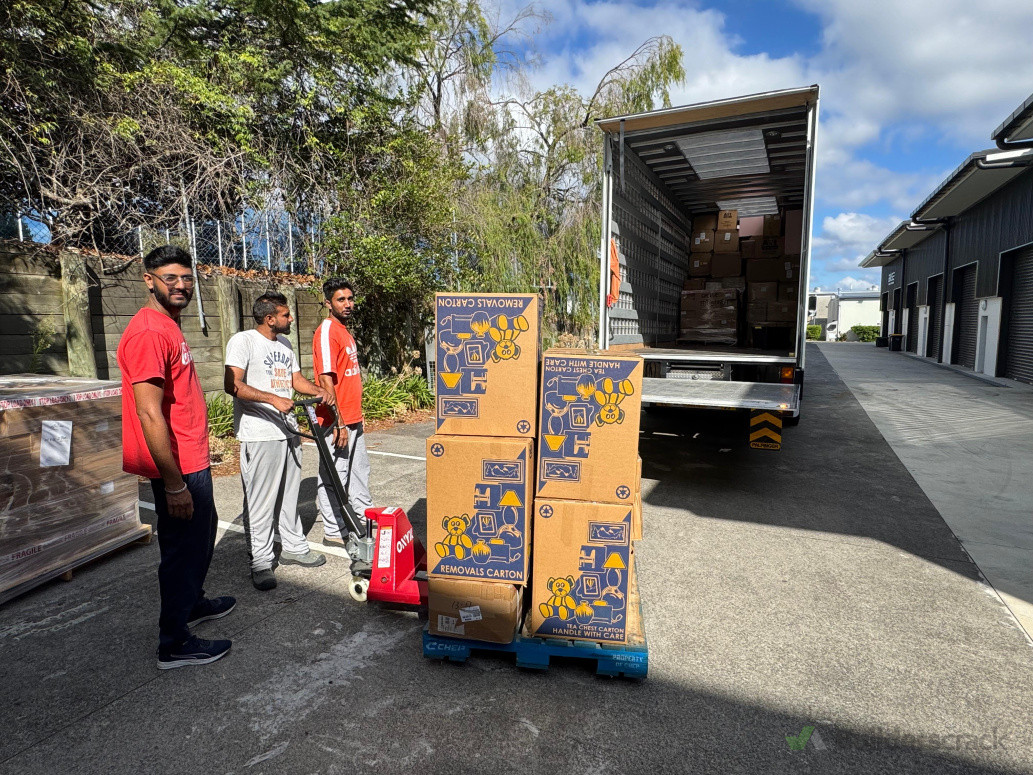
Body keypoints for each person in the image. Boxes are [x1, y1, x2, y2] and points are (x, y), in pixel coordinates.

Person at [116, 246, 233, 670]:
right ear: (149, 280)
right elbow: (149, 412)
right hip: (178, 465)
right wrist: (173, 483)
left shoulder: (168, 323)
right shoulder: (149, 332)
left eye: (187, 277)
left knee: (201, 535)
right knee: (182, 549)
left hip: (192, 456)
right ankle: (174, 642)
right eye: (171, 278)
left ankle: (193, 603)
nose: (181, 285)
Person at [224, 292, 334, 591]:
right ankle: (261, 561)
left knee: (289, 495)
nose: (291, 318)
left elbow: (295, 380)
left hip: (288, 431)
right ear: (270, 318)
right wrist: (272, 399)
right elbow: (232, 385)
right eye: (286, 315)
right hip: (260, 433)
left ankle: (294, 547)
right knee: (261, 501)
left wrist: (318, 391)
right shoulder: (243, 341)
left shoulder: (284, 343)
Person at [312, 278, 373, 547]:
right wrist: (338, 422)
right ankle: (333, 529)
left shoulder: (344, 331)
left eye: (350, 298)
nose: (347, 304)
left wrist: (355, 415)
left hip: (352, 416)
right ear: (328, 303)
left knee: (359, 471)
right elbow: (325, 379)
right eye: (341, 299)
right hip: (336, 420)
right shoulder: (327, 331)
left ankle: (363, 518)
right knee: (334, 476)